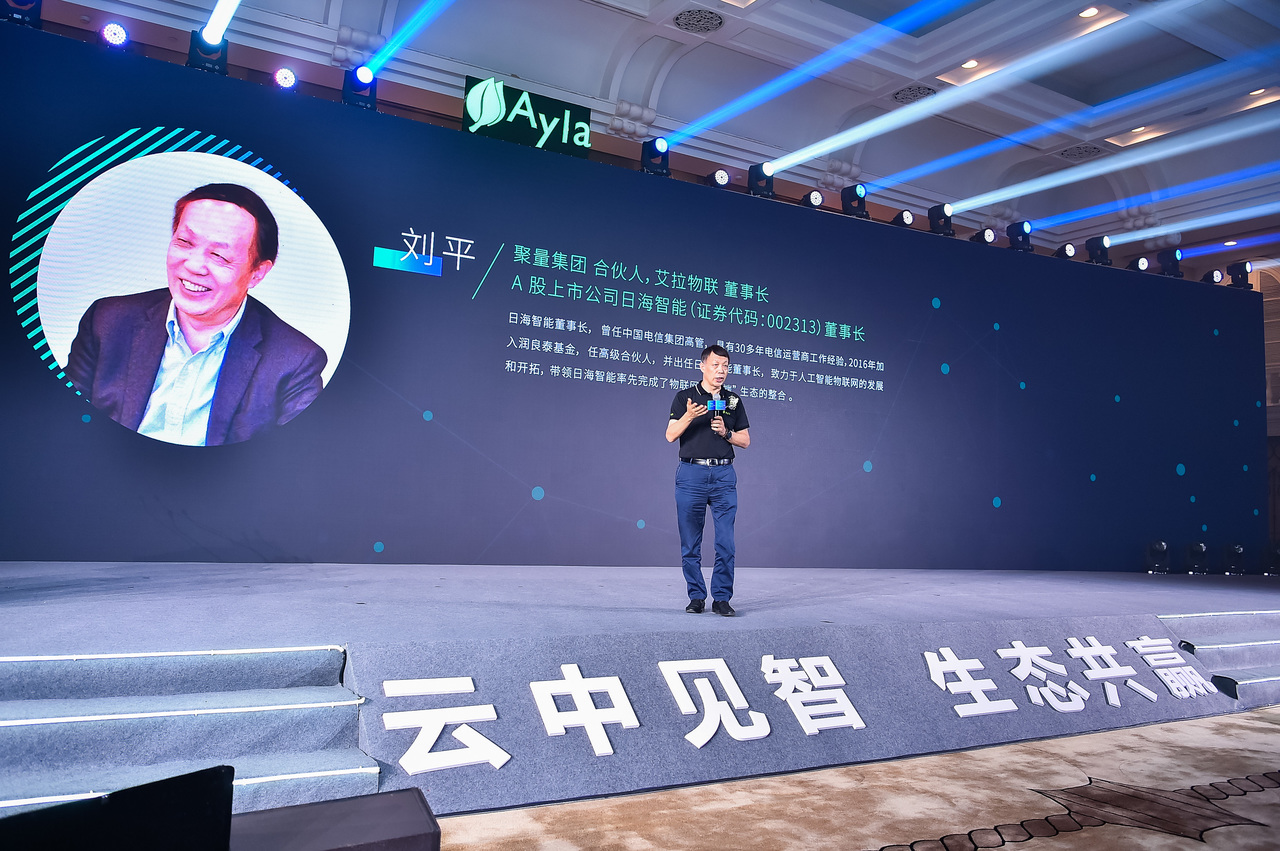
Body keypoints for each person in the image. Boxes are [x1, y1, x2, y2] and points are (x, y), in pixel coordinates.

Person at [66, 183, 327, 446]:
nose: (193, 266)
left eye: (219, 256)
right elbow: (64, 420)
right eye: (184, 242)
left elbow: (296, 456)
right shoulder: (108, 322)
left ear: (257, 273)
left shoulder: (294, 361)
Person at [666, 344, 751, 616]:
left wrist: (727, 433)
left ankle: (722, 598)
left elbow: (745, 440)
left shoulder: (733, 401)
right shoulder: (685, 397)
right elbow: (670, 435)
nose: (721, 370)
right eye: (715, 365)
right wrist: (689, 416)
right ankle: (696, 596)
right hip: (692, 474)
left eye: (725, 366)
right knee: (690, 542)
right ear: (702, 366)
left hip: (723, 476)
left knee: (726, 542)